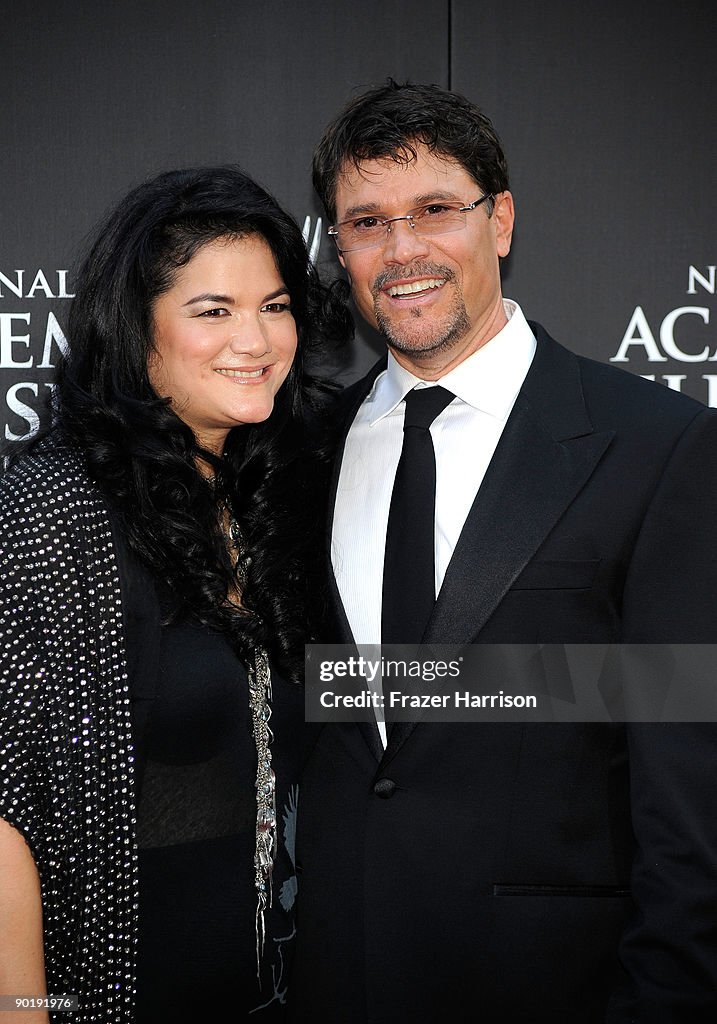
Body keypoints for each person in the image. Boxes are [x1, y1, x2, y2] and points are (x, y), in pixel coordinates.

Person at [290, 81, 717, 1022]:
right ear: (339, 248)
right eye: (366, 222)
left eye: (436, 210)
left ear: (502, 220)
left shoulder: (657, 446)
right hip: (336, 975)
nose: (402, 250)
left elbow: (690, 792)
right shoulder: (296, 453)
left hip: (555, 986)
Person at [0, 165, 349, 1023]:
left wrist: (597, 684)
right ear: (138, 330)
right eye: (213, 311)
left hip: (272, 996)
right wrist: (22, 1008)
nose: (257, 339)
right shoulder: (53, 508)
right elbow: (4, 810)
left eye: (274, 306)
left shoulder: (272, 500)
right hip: (119, 997)